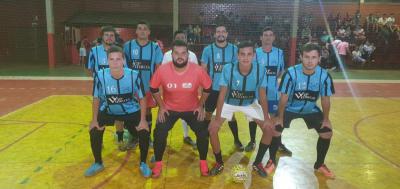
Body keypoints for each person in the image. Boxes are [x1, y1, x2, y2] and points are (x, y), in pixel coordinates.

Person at [267, 42, 335, 179]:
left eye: (314, 57)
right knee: (274, 129)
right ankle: (271, 161)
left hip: (310, 109)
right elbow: (283, 98)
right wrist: (279, 117)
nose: (310, 61)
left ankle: (319, 164)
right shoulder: (290, 74)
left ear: (319, 58)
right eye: (307, 57)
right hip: (289, 108)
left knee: (327, 133)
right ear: (301, 57)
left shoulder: (324, 76)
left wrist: (326, 119)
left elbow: (325, 99)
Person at [208, 41, 274, 177]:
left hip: (249, 103)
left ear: (254, 55)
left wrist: (267, 118)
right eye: (242, 54)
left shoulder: (260, 69)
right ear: (237, 56)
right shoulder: (228, 68)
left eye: (249, 54)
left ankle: (257, 163)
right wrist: (217, 118)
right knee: (212, 129)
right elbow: (221, 94)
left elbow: (262, 95)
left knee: (269, 129)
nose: (246, 57)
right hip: (229, 102)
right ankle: (219, 163)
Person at [84, 45, 151, 177]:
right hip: (109, 110)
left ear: (123, 60)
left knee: (144, 131)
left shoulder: (134, 75)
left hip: (130, 110)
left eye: (118, 59)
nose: (115, 62)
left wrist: (143, 120)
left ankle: (143, 163)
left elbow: (143, 98)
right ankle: (98, 163)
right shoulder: (100, 75)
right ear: (107, 61)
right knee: (94, 130)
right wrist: (94, 120)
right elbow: (96, 98)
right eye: (112, 59)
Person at [150, 40, 212, 178]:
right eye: (176, 53)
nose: (180, 56)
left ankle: (203, 161)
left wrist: (200, 105)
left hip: (191, 109)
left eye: (183, 53)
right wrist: (162, 106)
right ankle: (158, 163)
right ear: (171, 55)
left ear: (188, 55)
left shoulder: (197, 70)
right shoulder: (163, 70)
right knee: (159, 132)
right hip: (169, 109)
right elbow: (153, 88)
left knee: (203, 132)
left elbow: (208, 88)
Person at [201, 24, 246, 151]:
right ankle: (204, 137)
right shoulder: (208, 50)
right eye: (218, 32)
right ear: (215, 34)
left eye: (223, 31)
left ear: (226, 34)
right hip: (212, 89)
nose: (220, 34)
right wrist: (203, 88)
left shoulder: (234, 49)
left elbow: (238, 69)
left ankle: (236, 140)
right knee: (208, 114)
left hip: (228, 90)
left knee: (231, 116)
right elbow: (203, 70)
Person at [86, 26, 130, 151]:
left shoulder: (119, 52)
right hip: (100, 91)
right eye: (107, 35)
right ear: (102, 36)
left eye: (112, 35)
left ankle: (120, 140)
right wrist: (98, 81)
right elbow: (89, 69)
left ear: (115, 37)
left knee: (119, 116)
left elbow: (125, 69)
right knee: (100, 117)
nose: (109, 37)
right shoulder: (94, 51)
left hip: (116, 89)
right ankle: (99, 141)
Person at [123, 21, 163, 147]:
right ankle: (134, 137)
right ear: (136, 31)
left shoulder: (155, 47)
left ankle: (147, 137)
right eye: (139, 28)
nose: (142, 31)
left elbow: (158, 68)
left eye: (145, 29)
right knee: (131, 112)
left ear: (149, 32)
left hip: (147, 87)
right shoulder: (128, 46)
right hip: (131, 88)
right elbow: (122, 65)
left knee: (147, 113)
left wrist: (156, 87)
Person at [161, 30, 198, 149]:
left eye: (183, 37)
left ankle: (186, 136)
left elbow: (197, 73)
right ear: (174, 40)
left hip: (188, 91)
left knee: (187, 116)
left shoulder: (192, 55)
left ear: (186, 40)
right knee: (166, 119)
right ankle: (162, 142)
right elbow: (163, 73)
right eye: (179, 38)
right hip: (171, 92)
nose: (181, 39)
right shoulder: (167, 55)